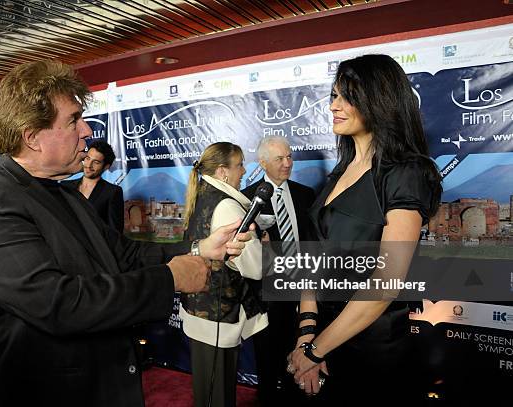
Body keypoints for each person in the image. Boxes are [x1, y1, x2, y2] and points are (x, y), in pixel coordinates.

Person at [0, 60, 254, 407]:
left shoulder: (64, 194)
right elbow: (59, 304)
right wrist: (170, 279)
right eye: (73, 120)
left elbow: (124, 255)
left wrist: (200, 248)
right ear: (32, 137)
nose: (86, 131)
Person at [287, 54, 442, 405]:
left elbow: (385, 283)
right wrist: (307, 333)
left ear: (378, 100)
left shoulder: (406, 172)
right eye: (334, 95)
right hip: (323, 336)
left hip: (373, 347)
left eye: (346, 97)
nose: (333, 106)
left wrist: (313, 351)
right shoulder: (338, 172)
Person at [180, 142, 268, 407]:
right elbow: (254, 268)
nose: (244, 170)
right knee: (217, 395)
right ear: (222, 172)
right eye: (239, 164)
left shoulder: (201, 195)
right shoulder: (228, 206)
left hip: (201, 311)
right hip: (219, 316)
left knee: (209, 390)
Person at [242, 136, 315, 406]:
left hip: (305, 286)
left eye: (289, 157)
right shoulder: (249, 198)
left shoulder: (306, 194)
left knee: (302, 347)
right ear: (262, 163)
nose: (287, 164)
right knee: (269, 354)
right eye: (279, 159)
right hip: (269, 292)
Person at [63, 140, 124, 232]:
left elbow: (115, 231)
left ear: (106, 166)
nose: (89, 165)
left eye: (96, 162)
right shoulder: (65, 187)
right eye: (87, 158)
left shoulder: (112, 192)